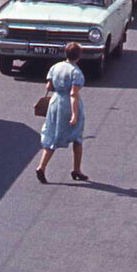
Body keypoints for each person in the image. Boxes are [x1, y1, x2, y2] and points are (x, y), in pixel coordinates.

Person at [36, 41, 88, 183]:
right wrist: (74, 114)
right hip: (67, 105)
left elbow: (49, 85)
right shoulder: (76, 72)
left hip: (55, 102)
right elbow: (73, 94)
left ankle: (41, 166)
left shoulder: (55, 67)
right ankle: (77, 169)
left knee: (52, 135)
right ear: (78, 56)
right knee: (77, 137)